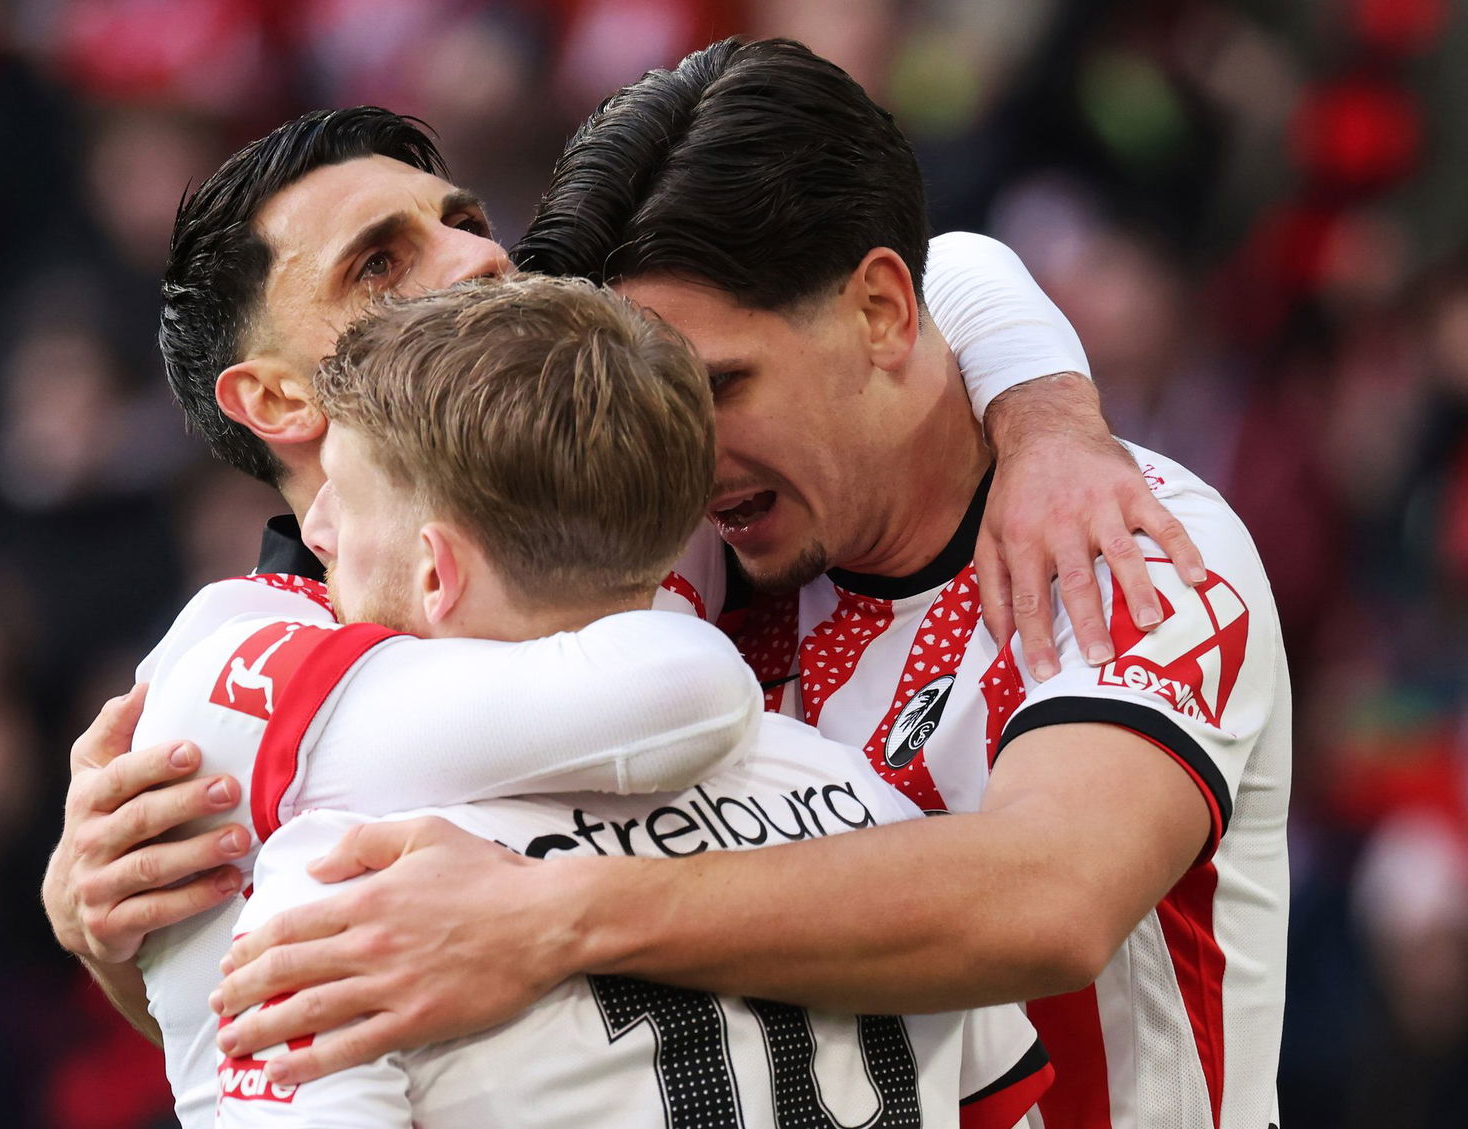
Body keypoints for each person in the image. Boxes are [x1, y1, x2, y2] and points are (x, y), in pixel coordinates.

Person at [208, 41, 1290, 1129]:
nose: (681, 445)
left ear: (880, 312)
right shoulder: (657, 545)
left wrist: (552, 917)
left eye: (721, 385)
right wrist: (129, 925)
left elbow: (1051, 898)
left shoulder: (1126, 539)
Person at [208, 275, 1053, 1127]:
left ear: (437, 572)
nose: (314, 533)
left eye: (344, 501)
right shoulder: (858, 803)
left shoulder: (350, 877)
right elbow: (1005, 1107)